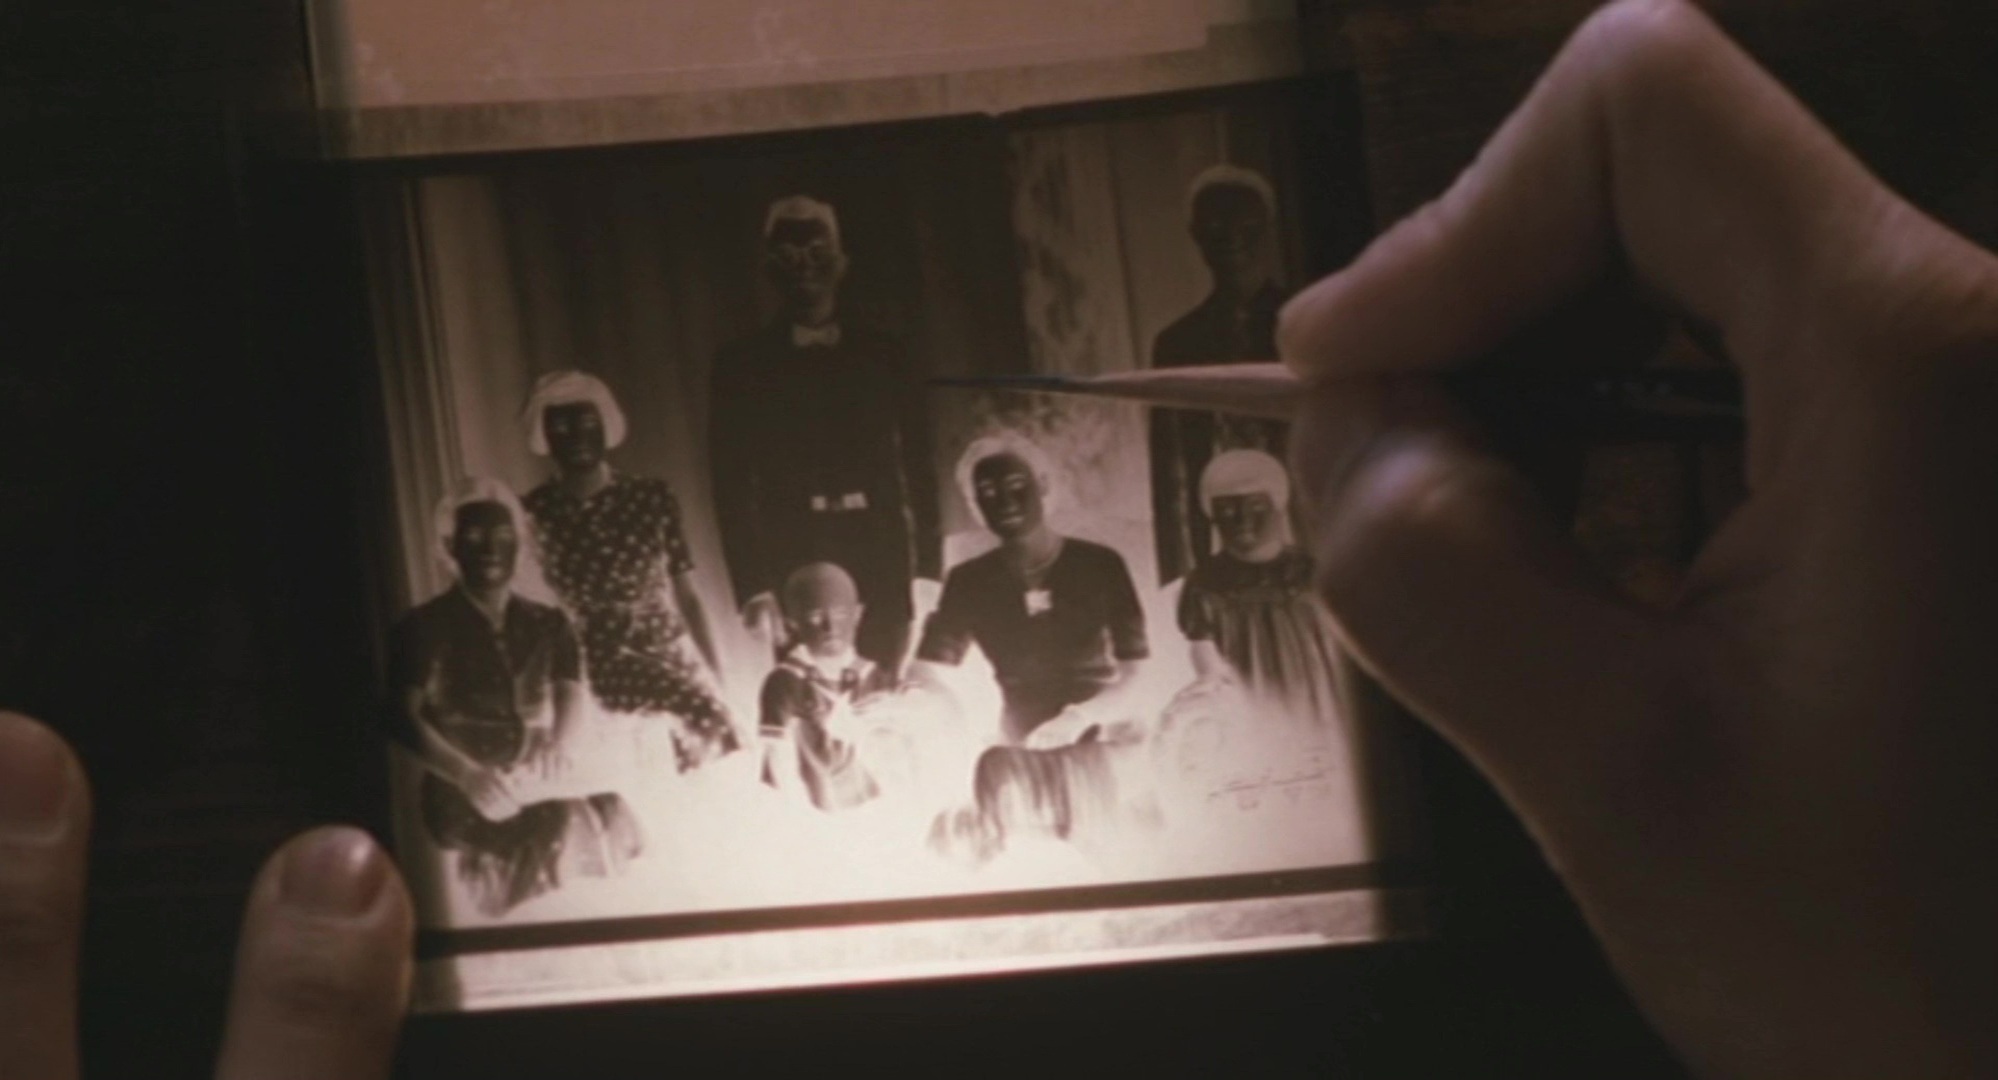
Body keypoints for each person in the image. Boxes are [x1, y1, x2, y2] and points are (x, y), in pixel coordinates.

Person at [6, 2, 1997, 1075]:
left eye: (1026, 487)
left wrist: (911, 629)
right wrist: (789, 637)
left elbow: (951, 531)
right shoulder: (684, 448)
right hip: (783, 593)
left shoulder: (960, 460)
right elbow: (735, 520)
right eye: (1010, 493)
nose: (1019, 499)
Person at [382, 479, 641, 917]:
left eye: (503, 536)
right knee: (553, 830)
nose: (490, 549)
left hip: (532, 779)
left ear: (519, 545)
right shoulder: (422, 627)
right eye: (474, 537)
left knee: (612, 814)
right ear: (450, 546)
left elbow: (570, 693)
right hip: (460, 794)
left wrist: (559, 745)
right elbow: (398, 716)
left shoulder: (549, 622)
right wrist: (466, 774)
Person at [708, 195, 942, 673]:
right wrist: (753, 585)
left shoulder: (887, 354)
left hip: (879, 546)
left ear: (842, 262)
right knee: (808, 693)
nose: (805, 267)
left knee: (884, 689)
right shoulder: (740, 365)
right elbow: (729, 480)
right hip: (792, 546)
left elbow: (921, 465)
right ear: (770, 268)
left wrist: (927, 569)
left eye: (818, 252)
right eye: (789, 256)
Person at [518, 370, 738, 772]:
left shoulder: (652, 496)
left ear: (606, 424)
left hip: (671, 648)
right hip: (597, 657)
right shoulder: (532, 512)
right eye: (561, 427)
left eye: (587, 422)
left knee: (717, 743)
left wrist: (719, 679)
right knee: (690, 723)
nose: (577, 436)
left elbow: (687, 596)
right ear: (545, 437)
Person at [911, 434, 1150, 748]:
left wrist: (1078, 718)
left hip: (1102, 731)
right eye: (988, 492)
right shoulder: (968, 581)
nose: (1005, 502)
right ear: (975, 504)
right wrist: (927, 702)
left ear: (1043, 486)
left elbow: (1136, 675)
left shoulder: (1100, 564)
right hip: (1020, 742)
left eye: (1016, 485)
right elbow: (928, 670)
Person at [1148, 164, 1293, 586]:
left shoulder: (1309, 323)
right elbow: (1172, 470)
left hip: (1306, 529)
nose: (1231, 237)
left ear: (1267, 227)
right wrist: (1183, 577)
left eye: (1245, 224)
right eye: (1215, 226)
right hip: (1221, 542)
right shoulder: (1177, 342)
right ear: (1195, 235)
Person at [1175, 448, 1345, 728]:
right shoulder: (1204, 583)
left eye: (1256, 507)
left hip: (1324, 709)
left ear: (1277, 508)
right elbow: (1204, 653)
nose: (1243, 520)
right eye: (1227, 510)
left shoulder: (1313, 573)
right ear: (1212, 516)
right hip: (1254, 714)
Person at [757, 562, 899, 812]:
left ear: (857, 614)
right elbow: (779, 759)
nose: (830, 628)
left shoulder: (874, 675)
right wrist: (799, 815)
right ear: (792, 624)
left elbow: (892, 752)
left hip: (872, 805)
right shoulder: (785, 681)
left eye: (841, 615)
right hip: (811, 807)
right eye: (815, 617)